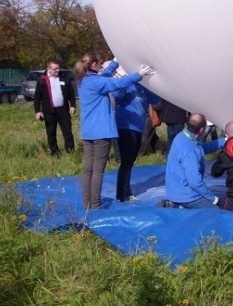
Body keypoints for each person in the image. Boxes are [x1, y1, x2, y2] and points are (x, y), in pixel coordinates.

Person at [75, 54, 155, 209]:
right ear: (93, 66)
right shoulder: (98, 82)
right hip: (101, 131)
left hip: (87, 131)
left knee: (87, 170)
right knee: (98, 169)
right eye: (99, 64)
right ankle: (95, 204)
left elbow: (104, 75)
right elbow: (119, 83)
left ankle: (87, 204)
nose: (101, 67)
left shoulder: (83, 81)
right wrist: (139, 75)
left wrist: (116, 61)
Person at [112, 66, 160, 202]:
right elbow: (116, 95)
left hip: (138, 127)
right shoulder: (127, 84)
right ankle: (123, 193)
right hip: (125, 126)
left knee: (131, 160)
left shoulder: (142, 86)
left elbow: (155, 100)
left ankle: (123, 192)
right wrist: (122, 78)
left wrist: (152, 83)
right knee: (126, 160)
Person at [161, 113, 224, 209]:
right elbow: (195, 182)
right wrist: (213, 199)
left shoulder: (182, 136)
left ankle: (176, 205)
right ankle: (181, 204)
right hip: (186, 194)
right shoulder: (190, 151)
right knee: (216, 211)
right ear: (202, 130)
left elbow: (201, 148)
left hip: (174, 189)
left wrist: (224, 141)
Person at [33, 61, 76, 156]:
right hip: (49, 111)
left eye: (58, 68)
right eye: (55, 68)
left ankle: (70, 152)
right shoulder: (42, 79)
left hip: (63, 110)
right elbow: (37, 97)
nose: (57, 70)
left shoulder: (64, 77)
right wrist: (38, 111)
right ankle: (55, 152)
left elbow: (71, 93)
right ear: (48, 69)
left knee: (67, 132)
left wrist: (72, 105)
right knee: (51, 133)